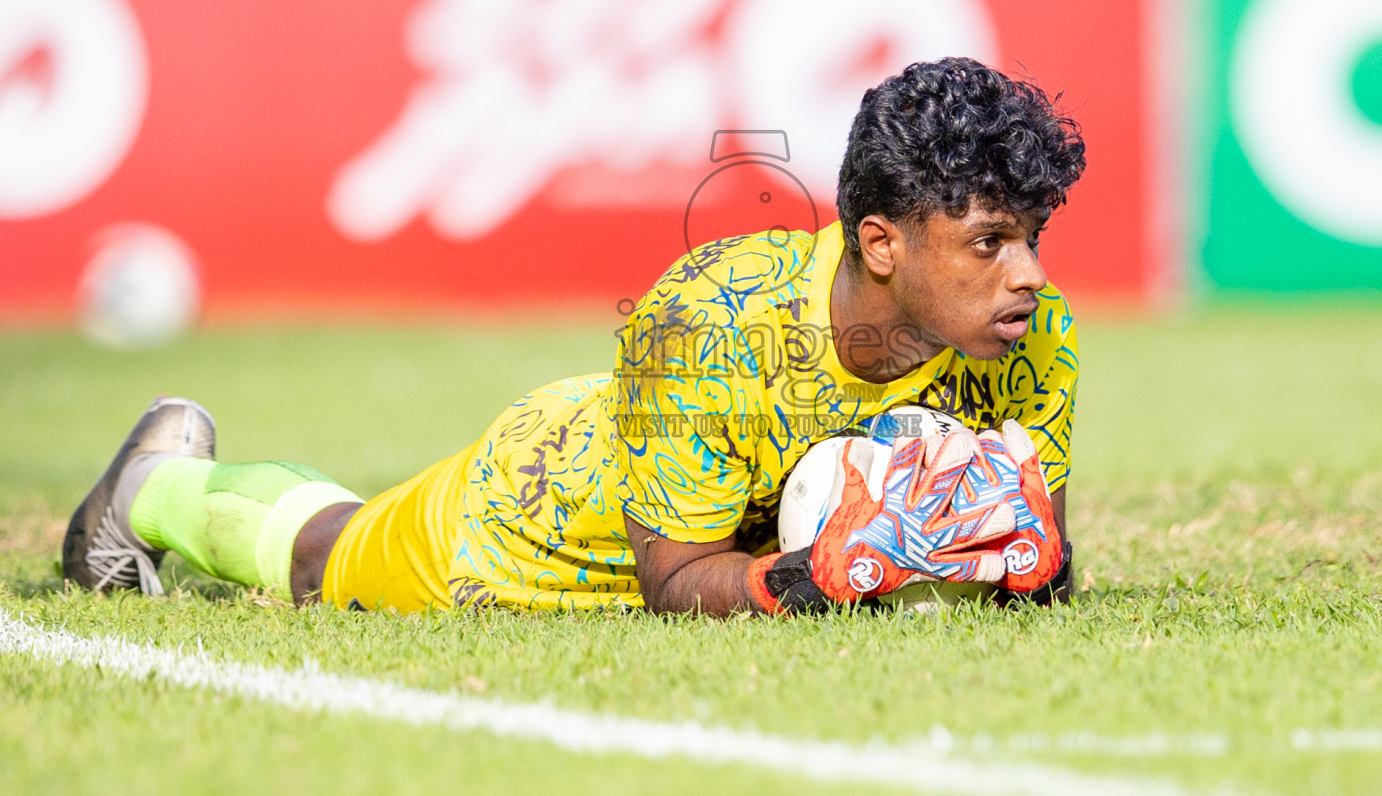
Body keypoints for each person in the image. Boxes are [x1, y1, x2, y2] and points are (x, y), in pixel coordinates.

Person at [62, 57, 1086, 617]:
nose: (1029, 273)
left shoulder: (1035, 340)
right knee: (321, 556)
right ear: (880, 242)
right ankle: (146, 488)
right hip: (537, 527)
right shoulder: (714, 320)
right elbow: (676, 577)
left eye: (1032, 237)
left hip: (721, 527)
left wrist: (1003, 557)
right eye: (990, 240)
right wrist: (809, 577)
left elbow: (1032, 550)